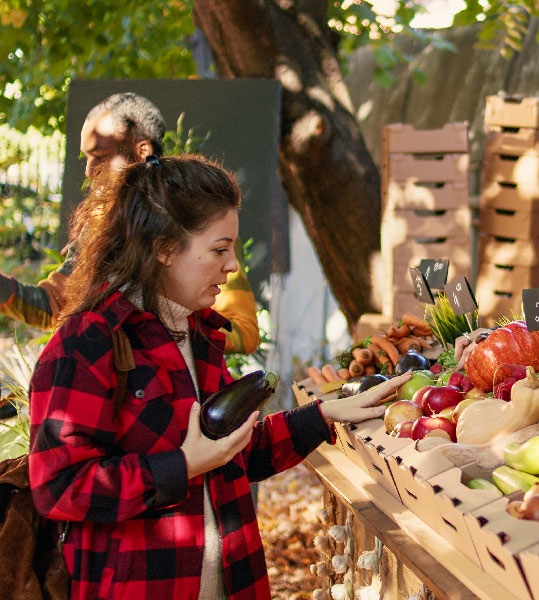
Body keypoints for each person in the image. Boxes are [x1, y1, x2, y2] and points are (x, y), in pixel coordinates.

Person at [27, 154, 411, 599]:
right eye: (219, 249)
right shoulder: (90, 341)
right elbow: (60, 488)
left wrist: (322, 414)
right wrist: (182, 466)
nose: (232, 266)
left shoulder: (200, 332)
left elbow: (232, 454)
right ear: (165, 248)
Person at [0, 92, 258, 354]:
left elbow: (244, 332)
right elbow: (55, 306)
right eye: (86, 159)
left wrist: (164, 330)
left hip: (174, 387)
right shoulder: (99, 225)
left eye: (99, 156)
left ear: (143, 150)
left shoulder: (197, 219)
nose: (89, 171)